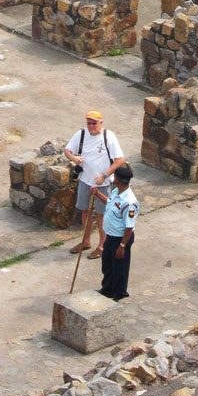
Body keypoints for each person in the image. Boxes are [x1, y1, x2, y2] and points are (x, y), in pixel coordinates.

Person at [64, 110, 124, 259]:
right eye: (89, 123)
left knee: (102, 215)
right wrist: (73, 158)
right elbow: (67, 150)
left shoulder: (108, 137)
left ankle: (102, 246)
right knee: (85, 211)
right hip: (85, 180)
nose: (91, 126)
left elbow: (120, 160)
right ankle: (86, 241)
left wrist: (104, 176)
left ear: (100, 123)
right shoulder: (81, 134)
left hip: (102, 183)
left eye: (94, 123)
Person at [90, 163, 139, 301]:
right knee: (107, 265)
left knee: (119, 268)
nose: (113, 179)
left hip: (120, 238)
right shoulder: (116, 191)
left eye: (115, 177)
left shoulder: (129, 202)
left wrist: (122, 246)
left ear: (119, 180)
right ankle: (107, 290)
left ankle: (119, 294)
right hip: (110, 236)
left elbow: (129, 227)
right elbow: (110, 203)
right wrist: (98, 194)